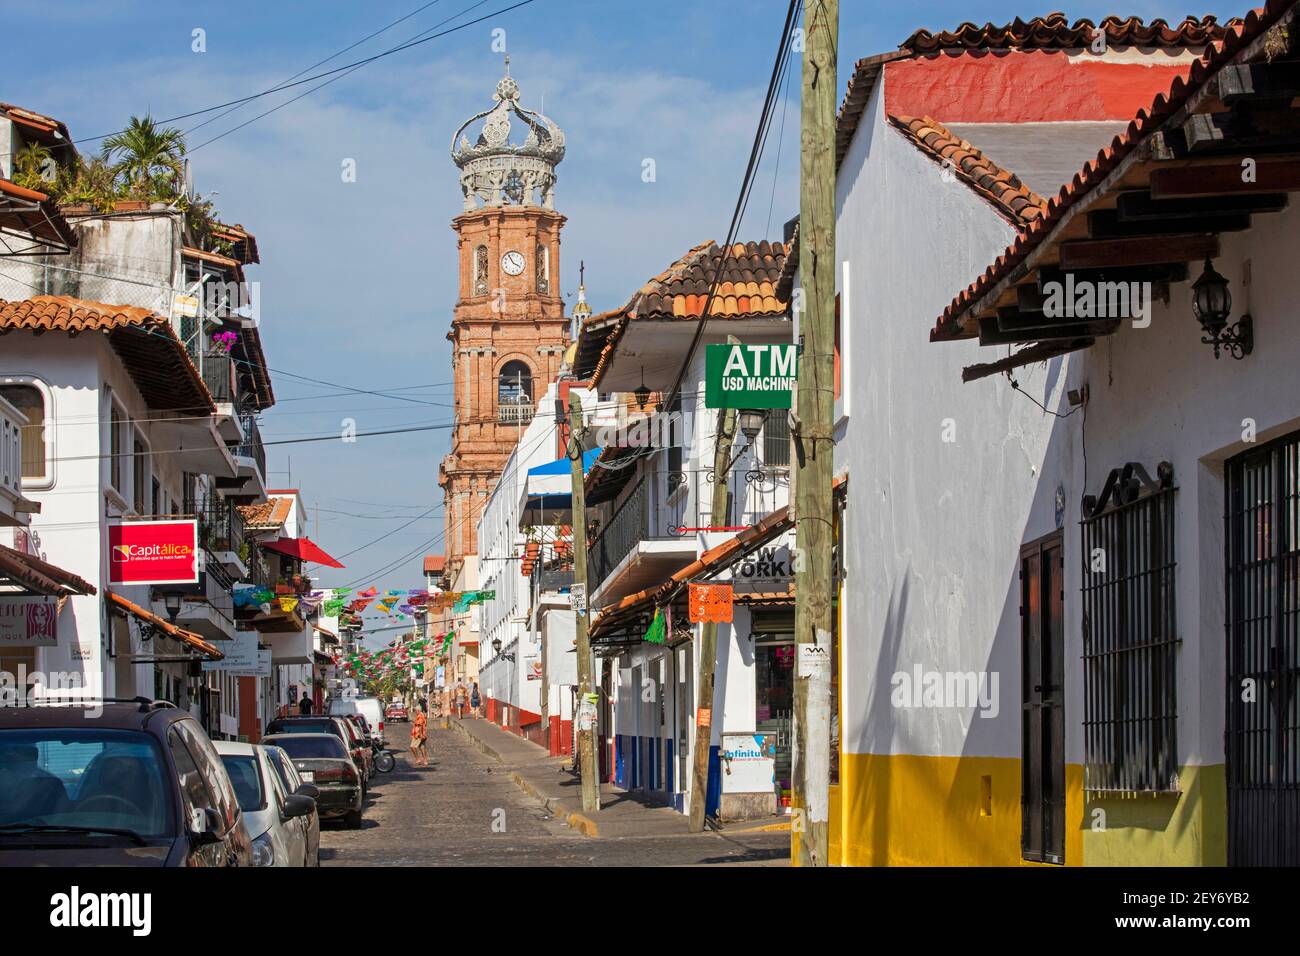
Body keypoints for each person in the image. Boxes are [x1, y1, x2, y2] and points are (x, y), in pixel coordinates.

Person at [409, 699, 428, 767]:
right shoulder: (422, 715)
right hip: (422, 734)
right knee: (422, 747)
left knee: (412, 747)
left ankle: (418, 759)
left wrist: (420, 735)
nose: (415, 712)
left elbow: (419, 726)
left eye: (415, 711)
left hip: (418, 735)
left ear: (418, 710)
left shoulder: (420, 716)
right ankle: (425, 761)